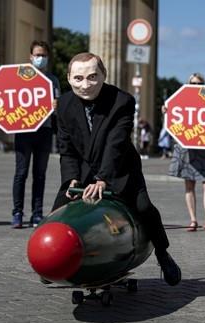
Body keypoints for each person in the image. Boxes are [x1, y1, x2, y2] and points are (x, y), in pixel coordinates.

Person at [52, 52, 181, 286]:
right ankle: (53, 261)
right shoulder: (62, 105)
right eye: (78, 78)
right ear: (69, 78)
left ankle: (163, 254)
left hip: (120, 168)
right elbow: (66, 148)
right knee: (57, 211)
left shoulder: (122, 101)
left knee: (144, 207)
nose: (85, 84)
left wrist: (104, 179)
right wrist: (71, 180)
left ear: (104, 75)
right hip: (81, 170)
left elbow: (116, 144)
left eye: (92, 77)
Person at [9, 40, 61, 229]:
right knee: (21, 173)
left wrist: (57, 106)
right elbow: (7, 100)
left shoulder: (52, 80)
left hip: (44, 131)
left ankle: (37, 214)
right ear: (30, 57)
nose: (40, 58)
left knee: (40, 174)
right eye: (37, 55)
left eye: (43, 55)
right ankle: (17, 213)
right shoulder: (19, 78)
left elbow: (58, 107)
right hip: (23, 131)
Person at [166, 73, 205, 234]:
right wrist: (167, 111)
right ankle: (193, 220)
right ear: (188, 83)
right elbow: (174, 117)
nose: (195, 86)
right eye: (192, 83)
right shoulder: (182, 98)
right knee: (189, 185)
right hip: (186, 147)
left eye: (199, 84)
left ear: (204, 85)